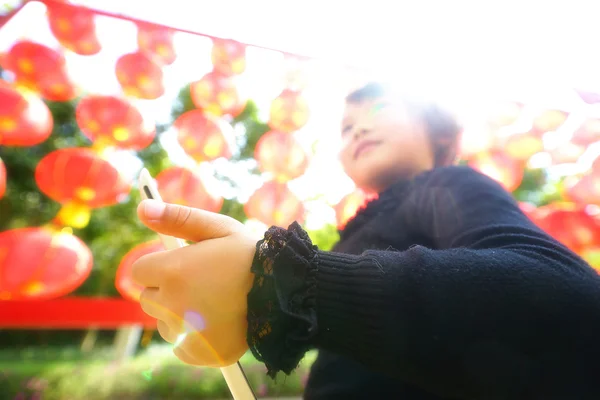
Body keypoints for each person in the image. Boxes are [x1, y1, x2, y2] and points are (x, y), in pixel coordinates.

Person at [131, 82, 600, 399]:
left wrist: (286, 285)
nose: (357, 128)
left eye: (377, 111)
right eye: (345, 127)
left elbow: (566, 298)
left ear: (436, 129)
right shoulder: (350, 235)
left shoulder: (448, 186)